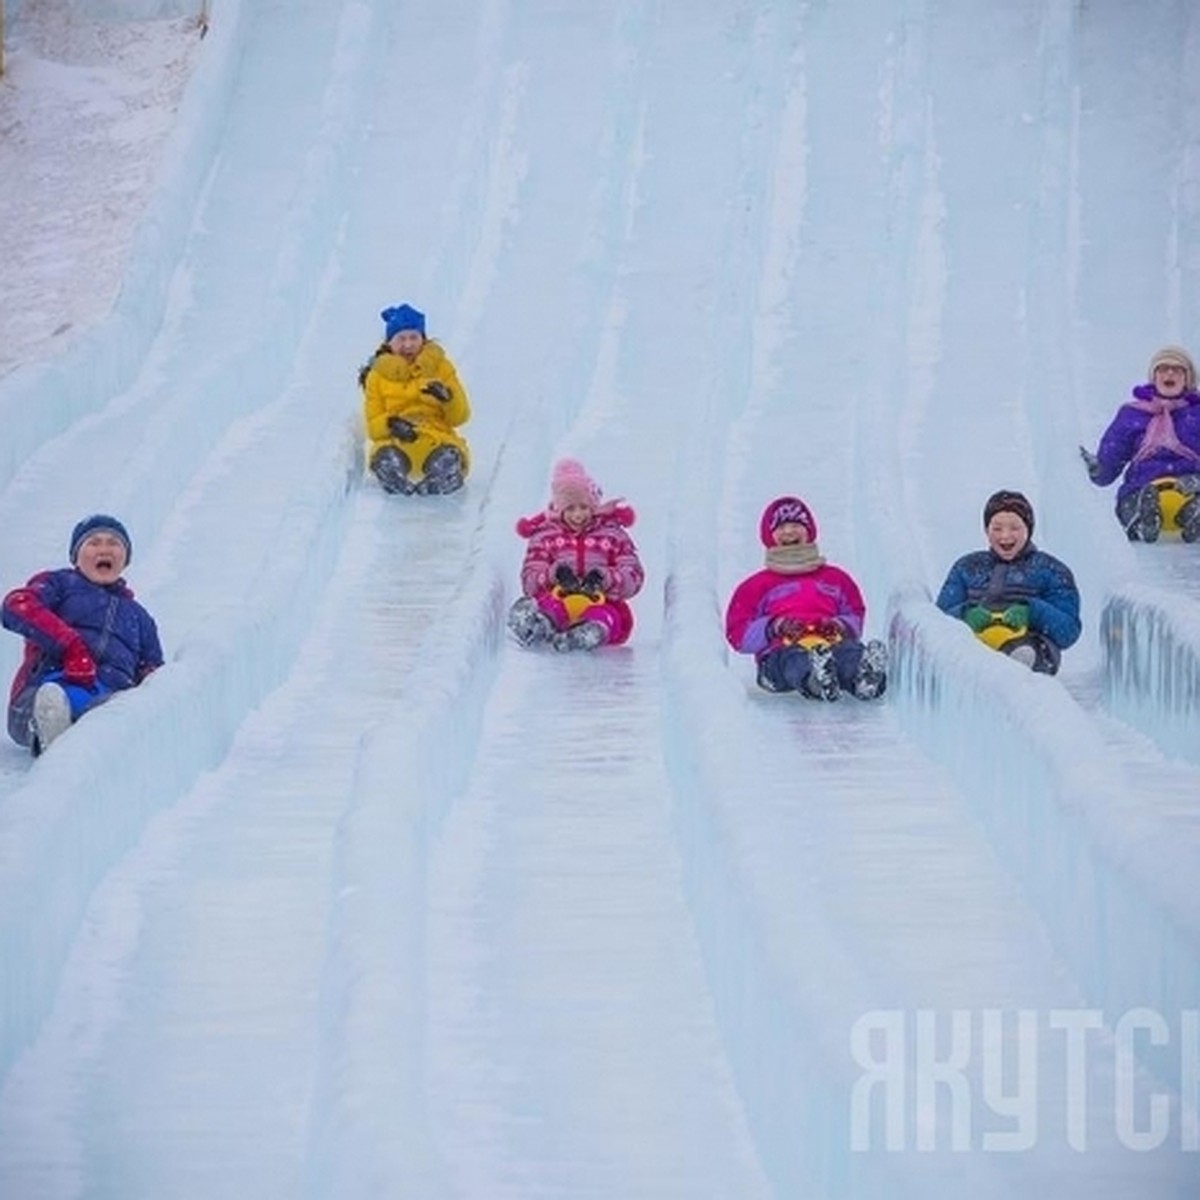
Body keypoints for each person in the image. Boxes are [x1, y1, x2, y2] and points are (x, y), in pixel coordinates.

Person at [2, 515, 164, 754]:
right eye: (94, 542)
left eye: (114, 543)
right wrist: (70, 646)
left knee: (113, 710)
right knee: (57, 699)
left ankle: (85, 738)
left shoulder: (140, 618)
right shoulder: (60, 584)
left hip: (109, 696)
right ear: (75, 557)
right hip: (49, 683)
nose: (104, 549)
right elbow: (16, 605)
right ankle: (50, 728)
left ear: (125, 559)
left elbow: (153, 670)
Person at [724, 496, 887, 700]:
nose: (789, 531)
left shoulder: (835, 579)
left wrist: (840, 625)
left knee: (848, 653)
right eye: (781, 527)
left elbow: (854, 612)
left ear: (809, 531)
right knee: (794, 660)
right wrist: (774, 626)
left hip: (829, 644)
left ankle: (863, 678)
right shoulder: (756, 586)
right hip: (779, 652)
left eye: (796, 525)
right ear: (769, 535)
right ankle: (815, 680)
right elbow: (737, 634)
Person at [936, 490, 1080, 675]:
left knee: (1027, 651)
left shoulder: (1051, 570)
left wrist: (1031, 611)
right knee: (963, 650)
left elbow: (1068, 632)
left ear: (1028, 529)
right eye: (997, 528)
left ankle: (1019, 666)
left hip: (1029, 645)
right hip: (974, 646)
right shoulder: (966, 567)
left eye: (1014, 528)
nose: (1005, 536)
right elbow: (936, 622)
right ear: (986, 530)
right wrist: (965, 614)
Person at [507, 458, 645, 652]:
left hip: (603, 601)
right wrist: (553, 575)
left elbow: (634, 575)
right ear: (559, 509)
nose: (578, 515)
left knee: (606, 616)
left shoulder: (613, 535)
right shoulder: (545, 536)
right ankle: (538, 625)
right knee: (549, 606)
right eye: (570, 509)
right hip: (560, 598)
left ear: (593, 506)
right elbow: (529, 580)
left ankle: (589, 633)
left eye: (583, 507)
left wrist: (605, 578)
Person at [1080, 345, 1200, 541]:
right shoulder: (1132, 415)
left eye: (1177, 369)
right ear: (1154, 376)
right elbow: (1107, 470)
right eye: (1162, 368)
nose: (1169, 373)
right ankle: (1144, 521)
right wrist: (1094, 467)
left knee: (1196, 502)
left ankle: (1193, 518)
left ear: (1188, 378)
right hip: (1143, 487)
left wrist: (1197, 482)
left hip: (1190, 489)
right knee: (1133, 503)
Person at [360, 303, 471, 496]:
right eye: (401, 339)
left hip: (436, 437)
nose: (408, 345)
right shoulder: (377, 376)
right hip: (397, 441)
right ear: (389, 343)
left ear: (423, 339)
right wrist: (391, 424)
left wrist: (448, 398)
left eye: (414, 337)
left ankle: (442, 478)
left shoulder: (441, 367)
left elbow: (461, 417)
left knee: (449, 456)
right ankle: (394, 477)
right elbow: (372, 426)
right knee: (386, 457)